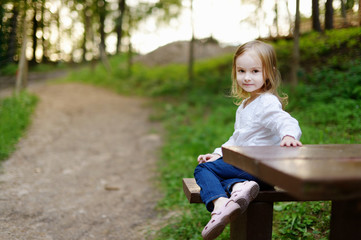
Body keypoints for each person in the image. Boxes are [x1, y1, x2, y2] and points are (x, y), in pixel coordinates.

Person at [194, 40, 302, 240]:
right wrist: (217, 154)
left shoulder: (266, 102)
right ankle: (239, 187)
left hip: (259, 166)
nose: (247, 77)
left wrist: (288, 135)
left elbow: (285, 120)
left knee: (203, 169)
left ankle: (219, 205)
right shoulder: (244, 105)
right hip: (258, 175)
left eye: (255, 71)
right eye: (241, 71)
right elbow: (237, 139)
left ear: (268, 72)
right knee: (218, 169)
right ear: (235, 72)